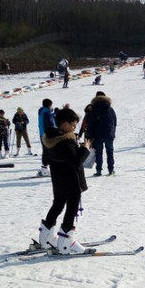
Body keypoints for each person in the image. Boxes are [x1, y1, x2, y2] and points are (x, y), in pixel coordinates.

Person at [37, 107, 91, 255]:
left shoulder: (50, 138)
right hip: (71, 180)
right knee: (71, 208)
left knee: (58, 205)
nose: (74, 128)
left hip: (58, 180)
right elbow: (75, 162)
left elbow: (46, 159)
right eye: (73, 125)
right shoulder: (66, 141)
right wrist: (85, 149)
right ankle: (66, 243)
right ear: (65, 124)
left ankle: (45, 237)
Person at [86, 91, 117, 176]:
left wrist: (89, 135)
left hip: (97, 135)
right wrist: (113, 133)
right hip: (109, 134)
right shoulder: (110, 109)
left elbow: (90, 123)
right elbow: (114, 122)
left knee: (98, 152)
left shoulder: (93, 109)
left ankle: (99, 170)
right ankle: (111, 169)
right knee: (110, 151)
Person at [37, 98, 56, 177]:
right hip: (48, 134)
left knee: (45, 150)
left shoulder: (41, 112)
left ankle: (44, 167)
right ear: (50, 105)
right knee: (50, 151)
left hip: (42, 134)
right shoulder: (47, 113)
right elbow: (50, 125)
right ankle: (46, 168)